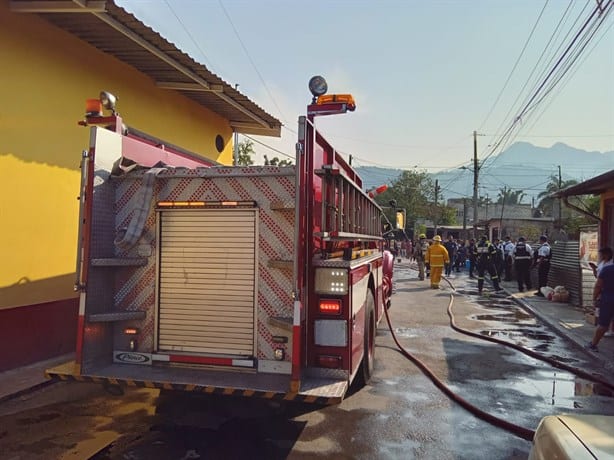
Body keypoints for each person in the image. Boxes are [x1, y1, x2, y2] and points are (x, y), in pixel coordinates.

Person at [586, 263, 614, 351]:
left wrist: (594, 299)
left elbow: (598, 286)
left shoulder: (607, 269)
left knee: (603, 324)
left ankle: (593, 344)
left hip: (608, 300)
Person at [589, 247, 614, 337]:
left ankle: (609, 329)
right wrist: (593, 269)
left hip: (607, 290)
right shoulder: (602, 264)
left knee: (608, 312)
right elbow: (598, 276)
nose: (602, 256)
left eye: (603, 254)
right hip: (602, 290)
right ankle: (603, 329)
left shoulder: (610, 265)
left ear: (608, 254)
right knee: (601, 311)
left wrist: (595, 297)